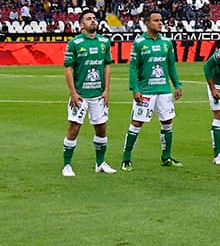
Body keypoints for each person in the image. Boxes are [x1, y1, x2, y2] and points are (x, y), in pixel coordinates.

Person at [121, 10, 182, 171]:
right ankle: (126, 159)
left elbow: (171, 65)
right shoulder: (140, 42)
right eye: (156, 20)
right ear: (147, 23)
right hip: (146, 90)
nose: (160, 23)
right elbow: (133, 68)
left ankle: (166, 157)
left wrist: (177, 84)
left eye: (161, 20)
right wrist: (135, 89)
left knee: (167, 122)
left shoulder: (167, 42)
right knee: (136, 123)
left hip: (164, 90)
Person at [62, 10, 115, 177]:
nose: (93, 21)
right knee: (74, 128)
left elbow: (107, 66)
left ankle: (100, 163)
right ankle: (67, 165)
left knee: (101, 128)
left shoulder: (104, 42)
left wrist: (106, 90)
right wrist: (73, 93)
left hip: (98, 94)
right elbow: (68, 68)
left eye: (94, 18)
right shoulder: (75, 43)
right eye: (88, 19)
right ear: (81, 24)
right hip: (80, 94)